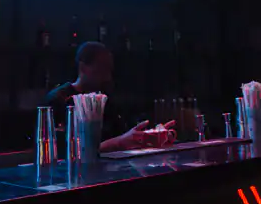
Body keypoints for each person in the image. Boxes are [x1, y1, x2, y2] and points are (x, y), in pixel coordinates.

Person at [44, 42, 175, 152]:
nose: (108, 77)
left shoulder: (104, 99)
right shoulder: (58, 100)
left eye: (109, 70)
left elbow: (124, 136)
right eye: (102, 69)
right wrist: (118, 143)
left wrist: (150, 135)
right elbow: (63, 152)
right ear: (83, 68)